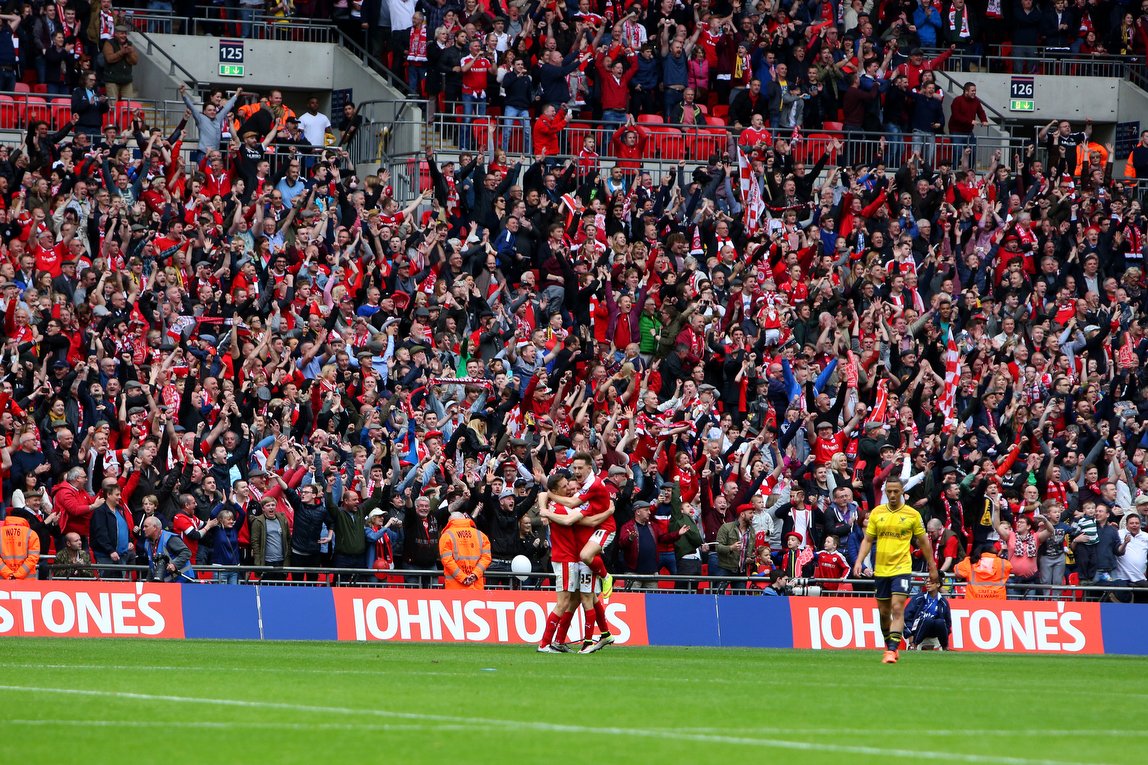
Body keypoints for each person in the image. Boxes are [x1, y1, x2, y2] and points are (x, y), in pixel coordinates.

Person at [852, 477, 938, 664]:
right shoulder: (877, 513)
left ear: (902, 492)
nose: (892, 495)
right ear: (885, 492)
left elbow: (924, 541)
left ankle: (892, 651)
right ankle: (889, 644)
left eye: (895, 491)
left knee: (897, 608)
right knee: (884, 613)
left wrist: (932, 567)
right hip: (881, 569)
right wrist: (859, 561)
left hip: (901, 567)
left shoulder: (912, 515)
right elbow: (867, 540)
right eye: (888, 491)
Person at [439, 510, 492, 590]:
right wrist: (475, 574)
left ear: (450, 521)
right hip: (476, 587)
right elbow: (486, 558)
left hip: (454, 588)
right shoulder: (481, 535)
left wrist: (463, 577)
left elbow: (447, 561)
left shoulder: (447, 535)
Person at [904, 576, 952, 650]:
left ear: (938, 584)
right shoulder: (918, 598)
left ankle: (945, 647)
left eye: (931, 582)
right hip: (918, 628)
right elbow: (906, 617)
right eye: (927, 582)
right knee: (927, 620)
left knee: (940, 622)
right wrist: (910, 635)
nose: (928, 584)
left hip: (934, 631)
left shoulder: (943, 602)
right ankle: (914, 644)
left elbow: (948, 623)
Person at [141, 515, 193, 583]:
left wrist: (174, 565)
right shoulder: (147, 543)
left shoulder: (170, 538)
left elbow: (186, 552)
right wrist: (148, 582)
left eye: (146, 526)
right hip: (168, 584)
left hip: (183, 580)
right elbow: (152, 566)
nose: (143, 529)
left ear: (154, 527)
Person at [251, 496, 292, 580]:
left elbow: (288, 538)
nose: (271, 507)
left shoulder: (282, 519)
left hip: (281, 561)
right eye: (268, 505)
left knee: (280, 587)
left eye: (273, 505)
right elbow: (255, 543)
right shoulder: (258, 521)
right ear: (263, 508)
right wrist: (258, 563)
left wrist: (288, 557)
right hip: (266, 561)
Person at [101, 24, 139, 102]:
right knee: (113, 104)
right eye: (122, 33)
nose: (124, 35)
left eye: (125, 33)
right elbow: (109, 59)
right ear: (116, 34)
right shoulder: (109, 43)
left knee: (129, 106)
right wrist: (122, 52)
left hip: (126, 80)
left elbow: (135, 61)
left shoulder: (129, 44)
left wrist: (130, 53)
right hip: (112, 80)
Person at [1, 512, 41, 580]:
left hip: (3, 582)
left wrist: (9, 574)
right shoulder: (31, 534)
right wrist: (18, 574)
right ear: (26, 520)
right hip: (26, 582)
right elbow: (33, 558)